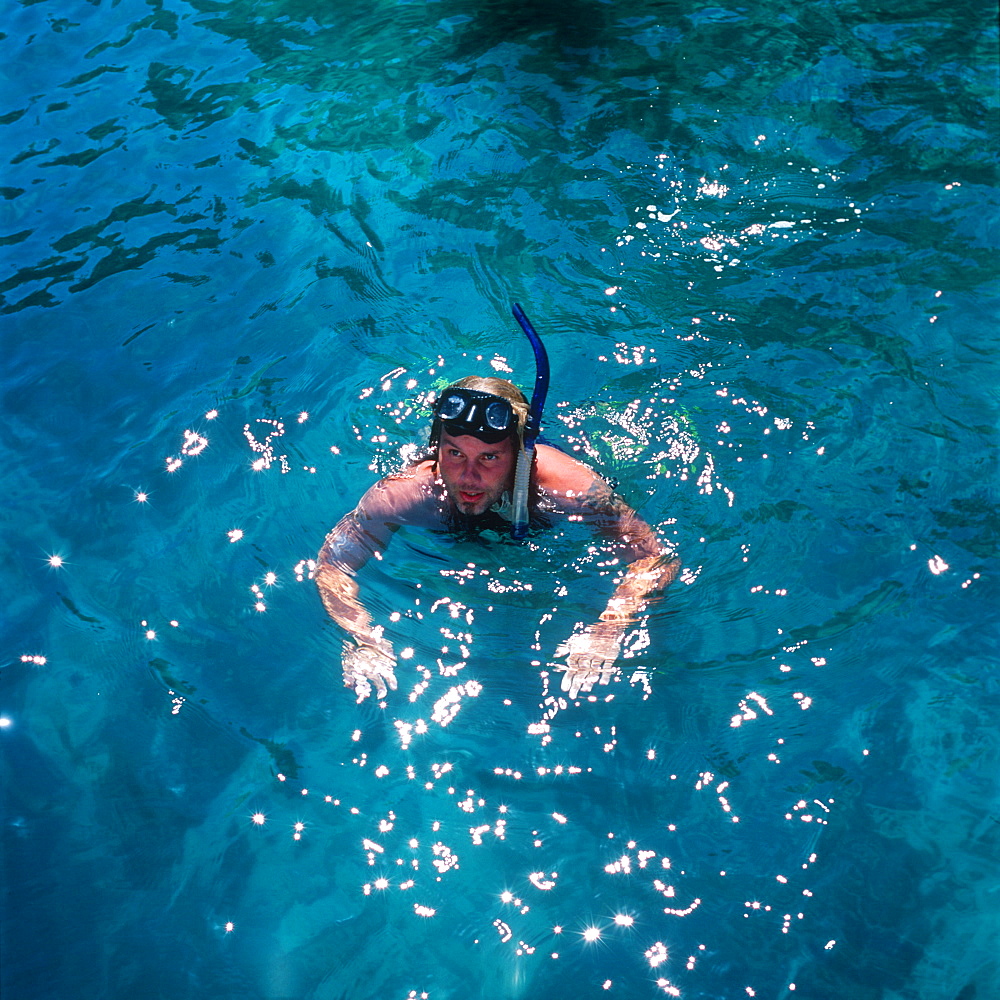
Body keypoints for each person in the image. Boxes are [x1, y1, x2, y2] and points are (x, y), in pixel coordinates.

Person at [316, 375, 679, 702]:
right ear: (437, 446)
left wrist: (609, 627)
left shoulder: (573, 489)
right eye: (454, 453)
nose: (468, 476)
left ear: (520, 455)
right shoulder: (402, 496)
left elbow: (655, 559)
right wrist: (362, 637)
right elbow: (333, 564)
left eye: (489, 457)